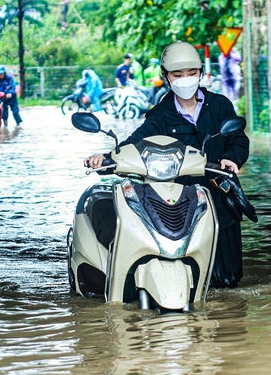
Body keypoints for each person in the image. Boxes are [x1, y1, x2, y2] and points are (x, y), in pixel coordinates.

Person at [85, 41, 250, 288]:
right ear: (166, 76)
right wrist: (106, 158)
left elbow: (238, 139)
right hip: (180, 200)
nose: (186, 79)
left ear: (200, 73)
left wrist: (232, 159)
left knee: (228, 281)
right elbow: (134, 145)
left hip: (219, 196)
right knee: (183, 272)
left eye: (192, 73)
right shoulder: (159, 115)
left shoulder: (220, 105)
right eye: (178, 74)